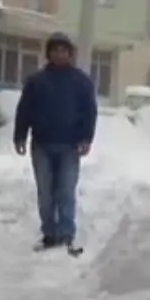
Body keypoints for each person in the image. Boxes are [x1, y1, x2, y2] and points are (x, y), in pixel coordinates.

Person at [13, 32, 98, 253]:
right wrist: (19, 135)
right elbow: (24, 110)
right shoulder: (36, 81)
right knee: (46, 193)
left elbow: (90, 112)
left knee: (66, 192)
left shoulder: (81, 82)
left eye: (64, 50)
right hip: (41, 145)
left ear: (70, 54)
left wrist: (86, 138)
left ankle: (67, 233)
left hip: (70, 147)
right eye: (55, 50)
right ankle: (49, 234)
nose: (59, 54)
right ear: (48, 53)